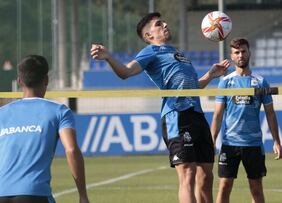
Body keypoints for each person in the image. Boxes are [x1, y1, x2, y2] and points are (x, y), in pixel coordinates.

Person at [90, 12, 229, 203]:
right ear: (149, 36)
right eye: (158, 24)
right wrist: (108, 57)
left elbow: (192, 87)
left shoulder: (177, 53)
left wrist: (211, 75)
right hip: (177, 116)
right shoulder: (151, 51)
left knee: (206, 175)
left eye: (163, 21)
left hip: (196, 115)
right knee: (187, 173)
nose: (164, 24)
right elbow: (126, 72)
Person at [0, 55, 89, 203]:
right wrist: (83, 195)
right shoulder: (59, 111)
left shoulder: (2, 113)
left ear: (19, 81)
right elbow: (71, 150)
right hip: (35, 193)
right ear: (46, 80)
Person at [211, 38, 282, 203]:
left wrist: (277, 142)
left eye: (243, 51)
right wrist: (212, 141)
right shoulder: (225, 82)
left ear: (249, 53)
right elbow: (217, 115)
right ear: (231, 56)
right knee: (224, 186)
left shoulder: (260, 82)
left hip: (254, 144)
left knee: (256, 188)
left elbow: (270, 114)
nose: (241, 55)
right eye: (236, 52)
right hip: (230, 144)